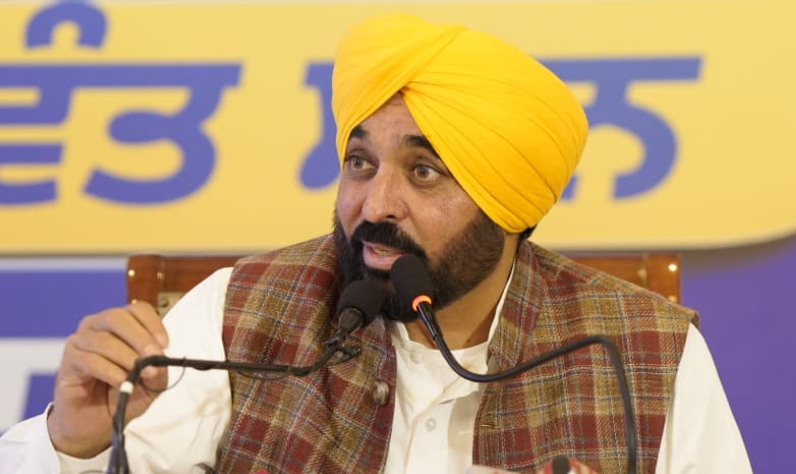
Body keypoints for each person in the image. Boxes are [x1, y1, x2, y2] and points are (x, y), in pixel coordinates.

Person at [0, 13, 750, 474]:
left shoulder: (641, 352)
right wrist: (72, 446)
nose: (374, 203)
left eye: (423, 172)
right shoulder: (243, 312)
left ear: (509, 204)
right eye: (360, 162)